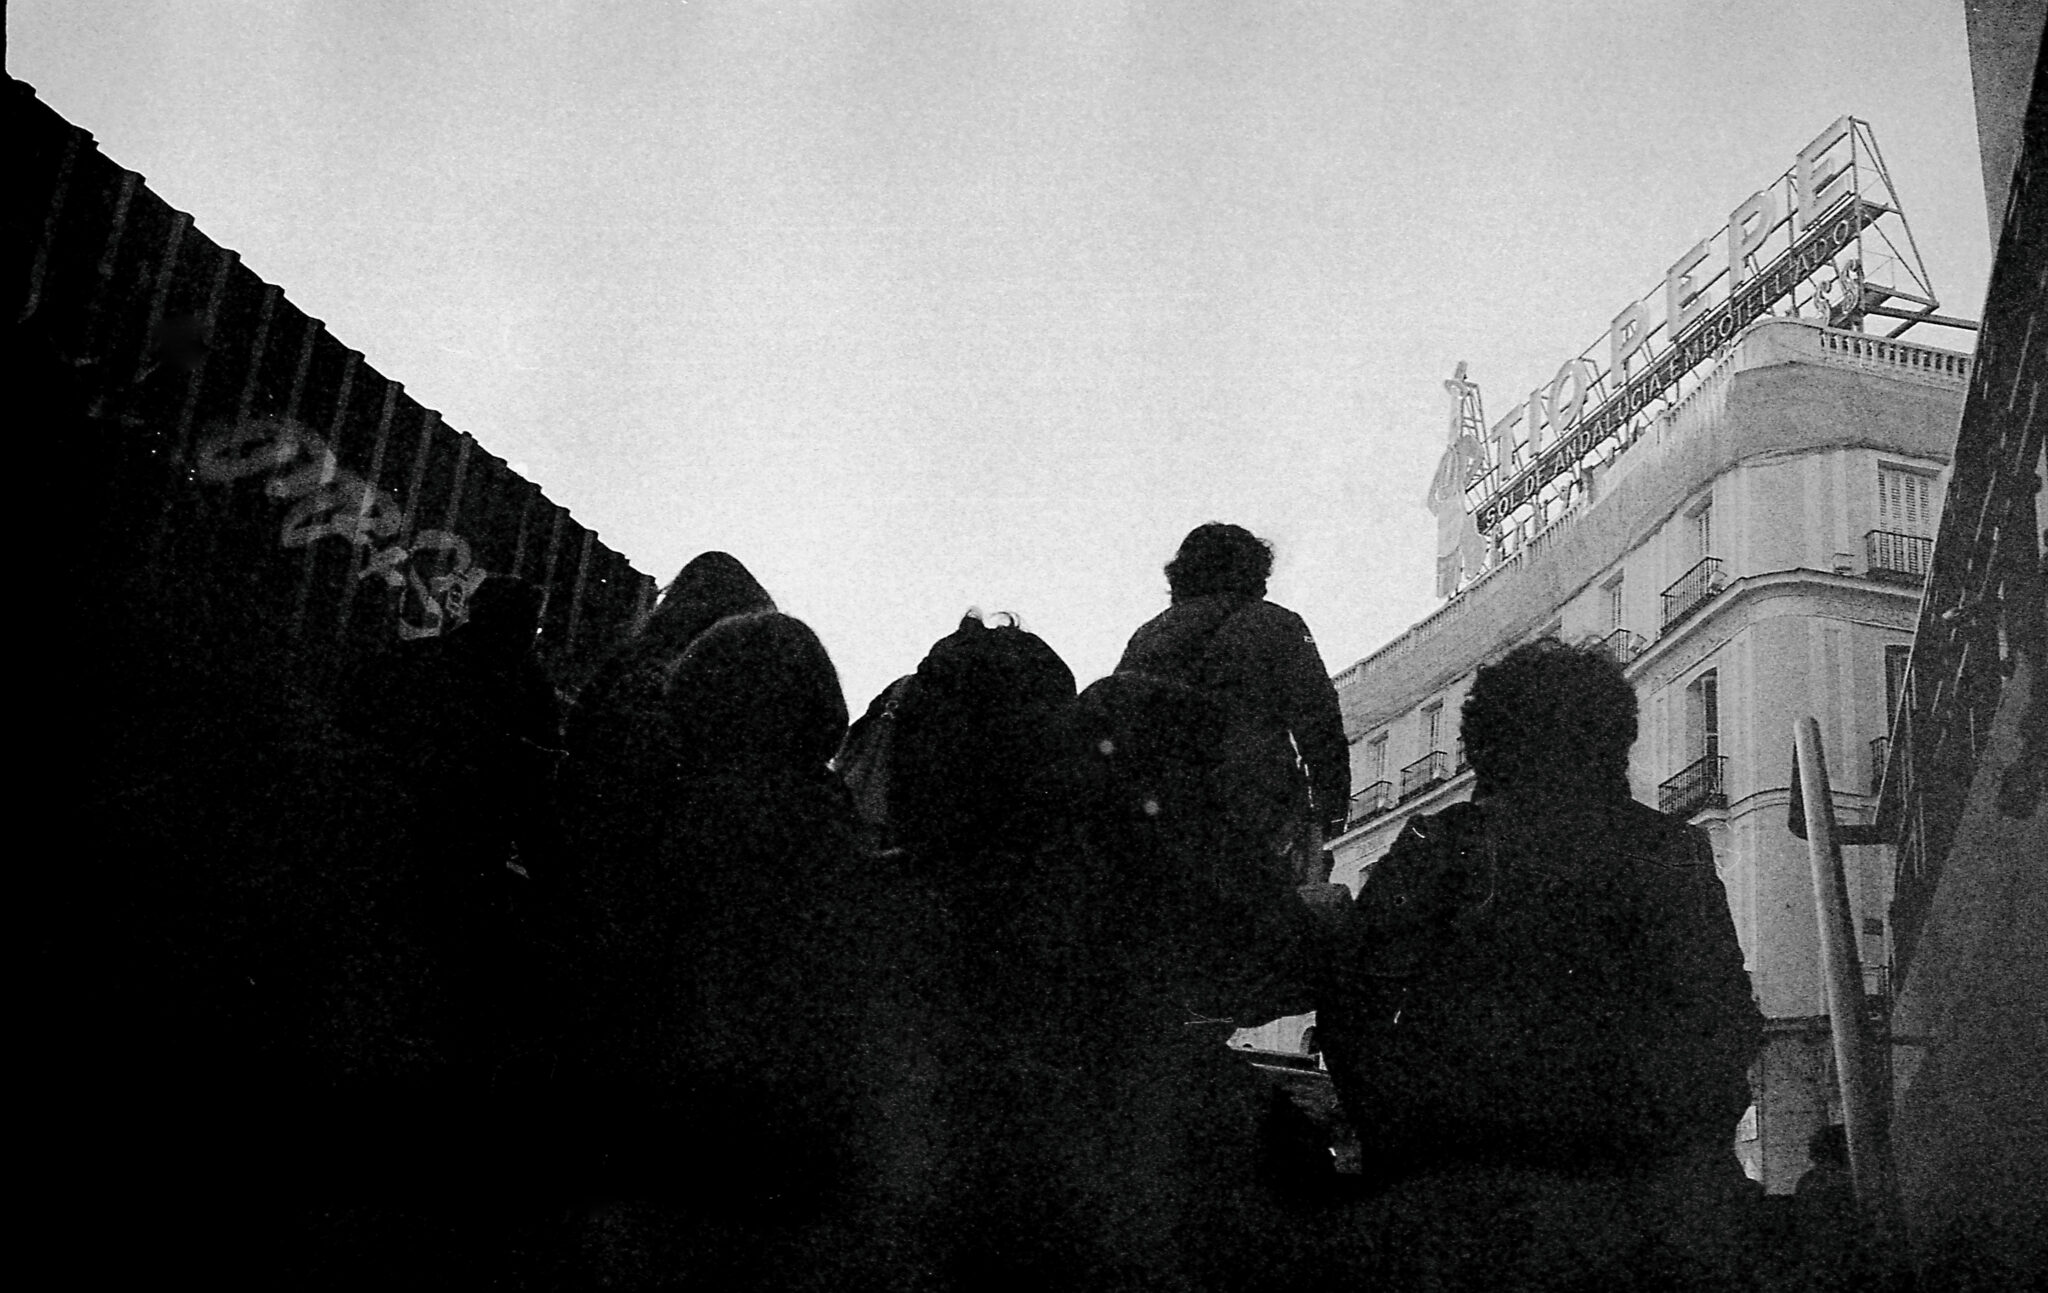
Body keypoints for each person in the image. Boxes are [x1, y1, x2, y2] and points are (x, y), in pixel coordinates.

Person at [1316, 638, 1763, 1288]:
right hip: (1637, 1210)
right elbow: (1724, 1022)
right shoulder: (1671, 851)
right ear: (1613, 739)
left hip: (1466, 1209)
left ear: (1485, 742)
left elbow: (1350, 1013)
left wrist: (1404, 1142)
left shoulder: (1438, 847)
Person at [1118, 523, 1349, 888]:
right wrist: (1332, 810)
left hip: (1167, 811)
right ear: (1253, 572)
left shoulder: (1149, 637)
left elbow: (1120, 720)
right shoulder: (1277, 624)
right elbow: (1320, 723)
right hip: (1256, 806)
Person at [559, 551, 775, 880]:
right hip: (648, 864)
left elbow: (580, 731)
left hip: (588, 837)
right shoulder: (721, 693)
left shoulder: (633, 661)